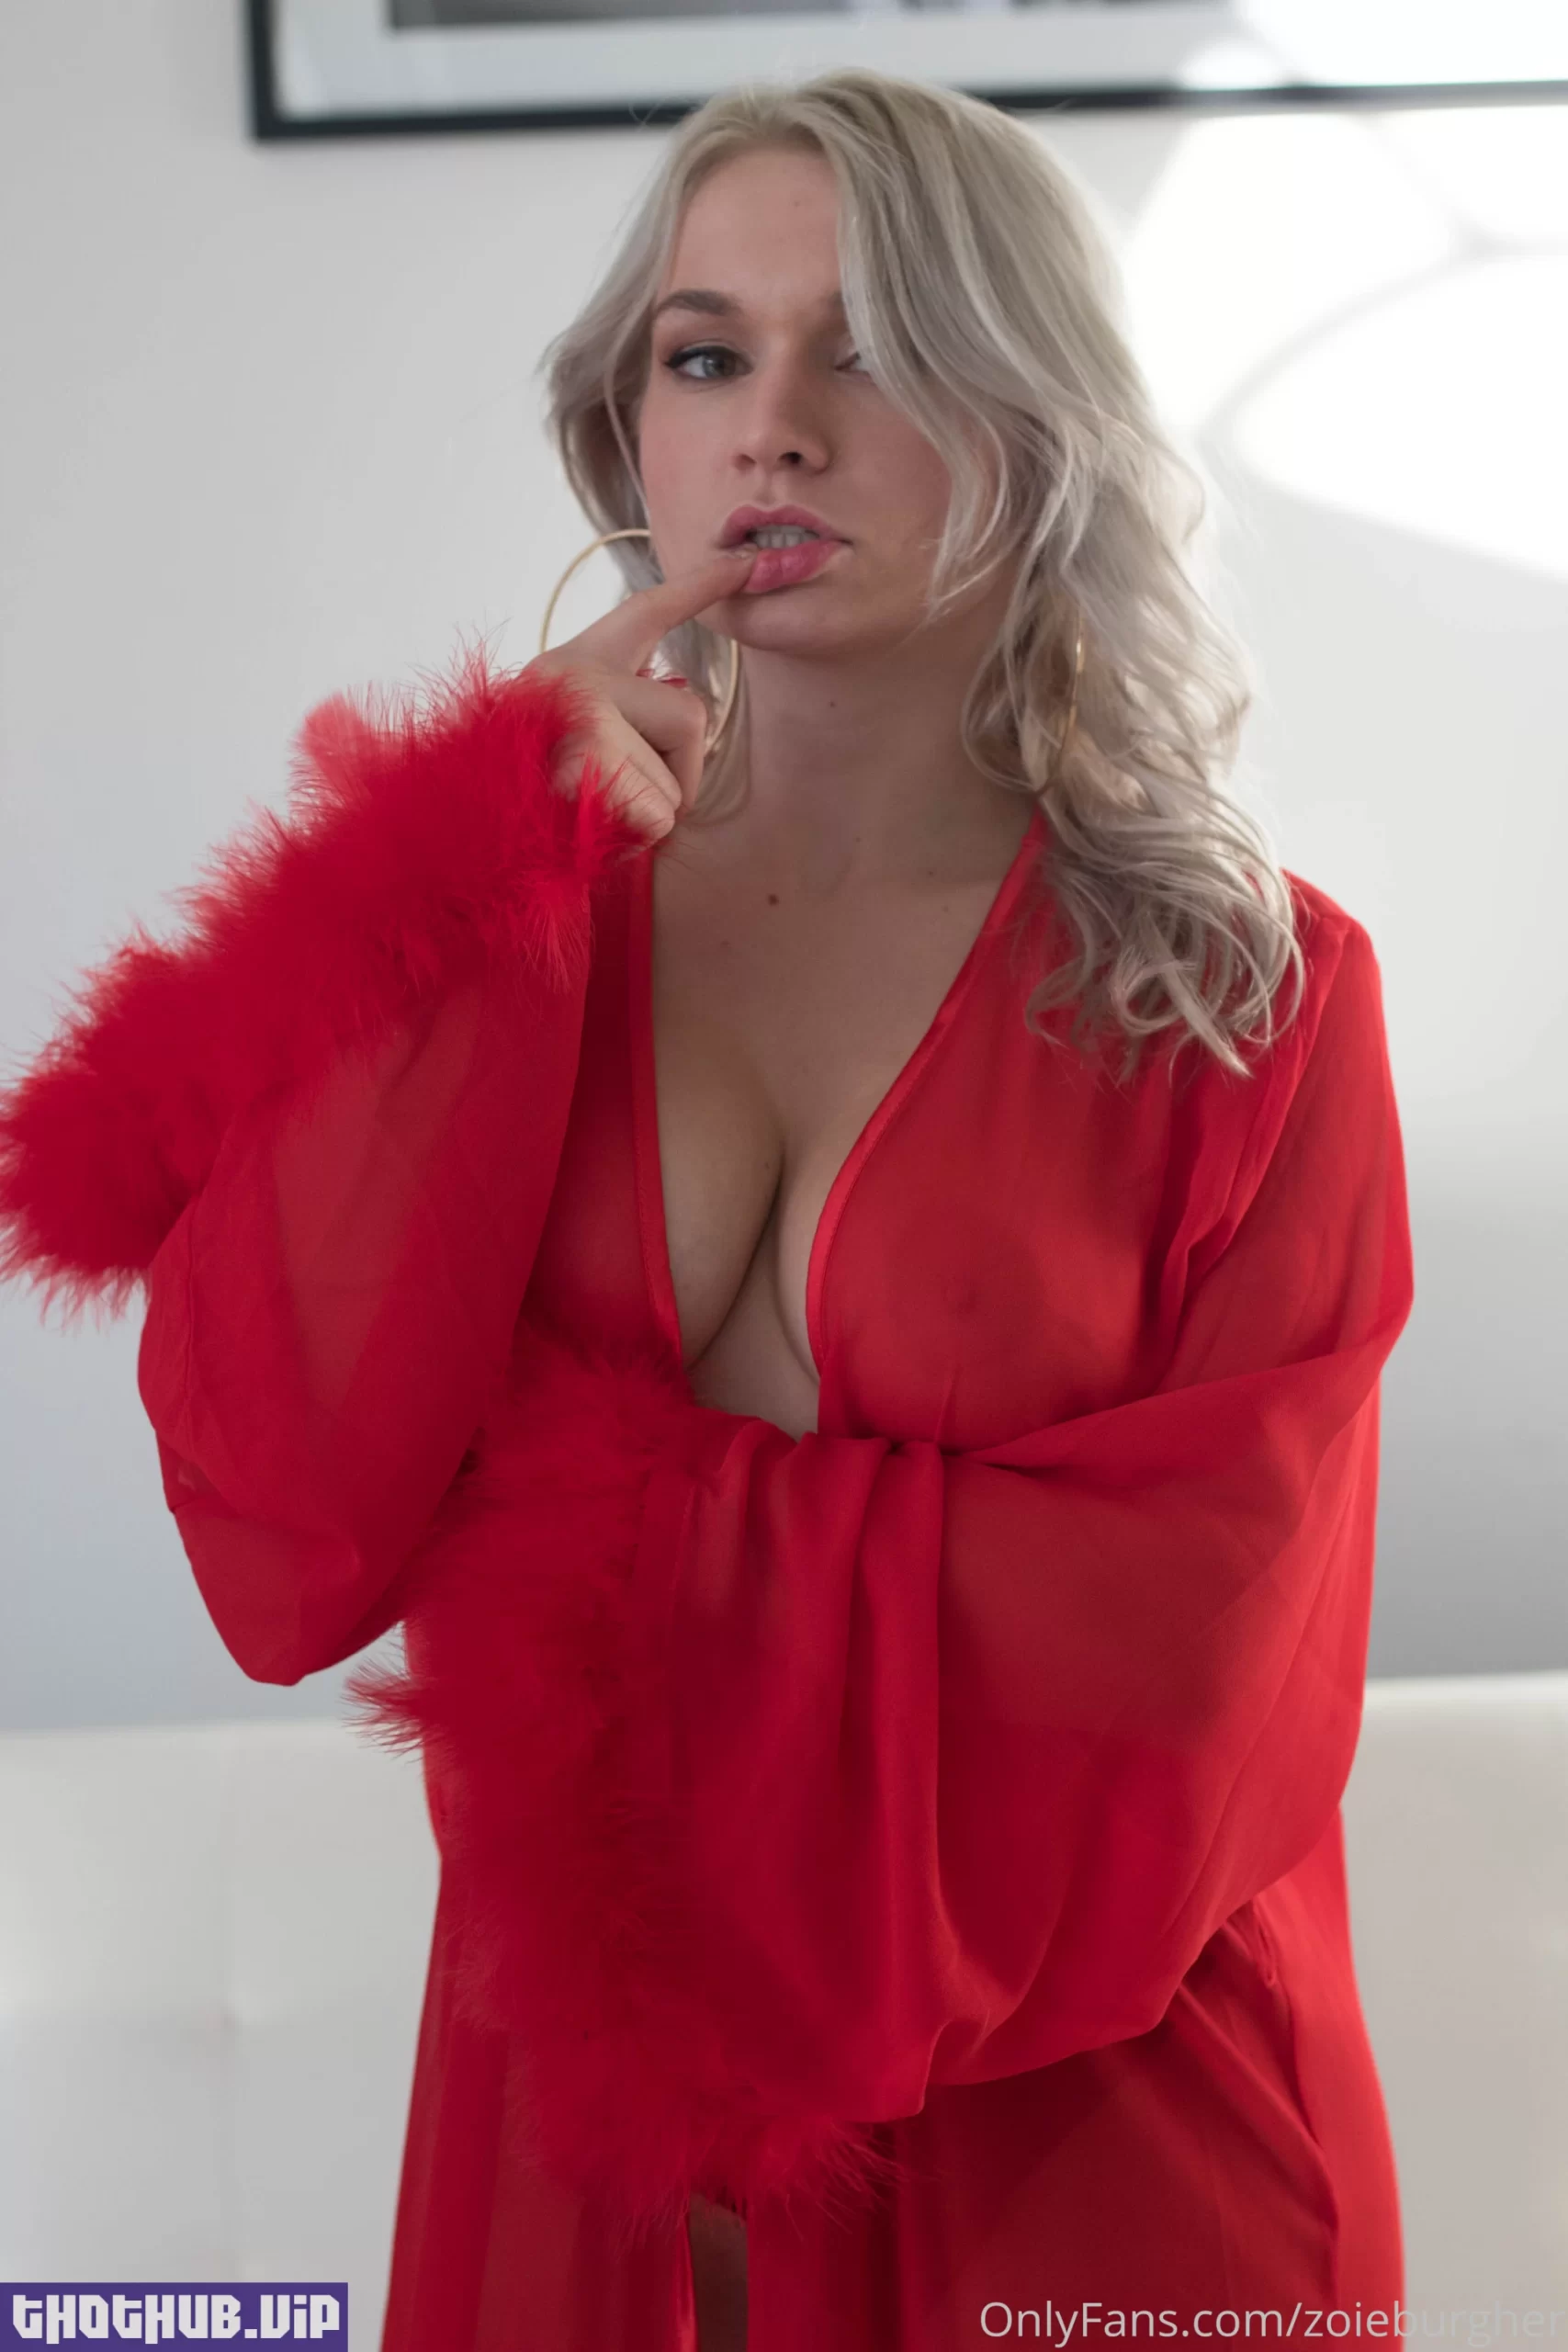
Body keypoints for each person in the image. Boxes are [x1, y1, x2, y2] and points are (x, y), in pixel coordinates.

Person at [0, 67, 1415, 2352]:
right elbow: (282, 1513)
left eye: (875, 348)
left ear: (1033, 419)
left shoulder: (1252, 992)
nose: (776, 425)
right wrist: (460, 878)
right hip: (575, 2150)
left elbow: (1198, 1672)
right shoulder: (502, 927)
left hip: (1108, 2146)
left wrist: (580, 1510)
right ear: (624, 428)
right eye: (705, 352)